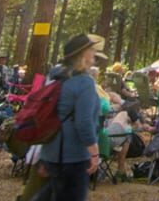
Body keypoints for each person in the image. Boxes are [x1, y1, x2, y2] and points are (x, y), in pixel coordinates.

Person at [34, 33, 107, 201]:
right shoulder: (84, 83)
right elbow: (84, 122)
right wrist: (94, 153)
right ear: (82, 55)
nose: (94, 54)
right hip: (73, 155)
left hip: (50, 149)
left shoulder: (55, 76)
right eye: (91, 50)